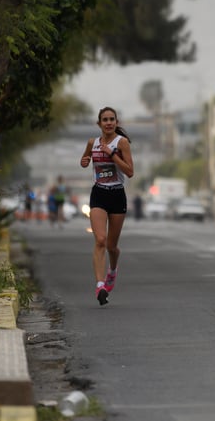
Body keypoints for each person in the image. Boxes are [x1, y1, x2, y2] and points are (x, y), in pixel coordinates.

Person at [80, 107, 134, 306]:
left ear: (116, 122)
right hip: (99, 194)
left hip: (117, 194)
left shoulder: (122, 143)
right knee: (100, 240)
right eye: (105, 119)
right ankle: (100, 284)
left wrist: (112, 154)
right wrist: (84, 161)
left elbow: (130, 172)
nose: (109, 122)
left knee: (112, 246)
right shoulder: (92, 143)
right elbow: (85, 160)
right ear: (99, 124)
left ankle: (112, 270)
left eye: (112, 119)